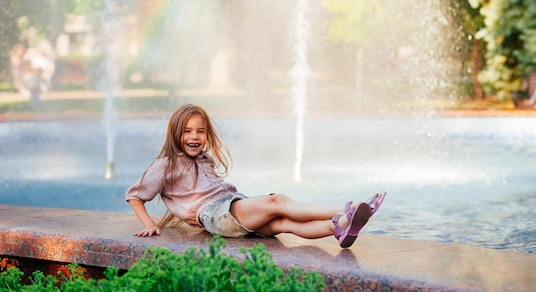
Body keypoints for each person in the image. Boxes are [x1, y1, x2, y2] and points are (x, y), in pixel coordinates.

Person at [126, 104, 386, 248]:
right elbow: (135, 195)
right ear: (175, 134)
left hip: (229, 207)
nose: (194, 137)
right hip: (216, 213)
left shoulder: (204, 159)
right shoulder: (166, 164)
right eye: (187, 131)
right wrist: (150, 224)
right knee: (277, 201)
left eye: (200, 131)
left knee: (283, 223)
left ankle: (338, 227)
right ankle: (347, 208)